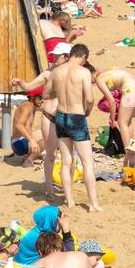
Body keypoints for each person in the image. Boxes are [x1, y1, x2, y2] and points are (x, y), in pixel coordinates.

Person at [49, 43, 101, 211]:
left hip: (60, 116)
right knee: (87, 162)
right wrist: (88, 111)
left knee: (66, 161)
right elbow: (90, 98)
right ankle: (93, 204)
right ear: (83, 57)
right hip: (76, 116)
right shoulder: (83, 72)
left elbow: (46, 93)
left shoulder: (56, 71)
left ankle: (69, 201)